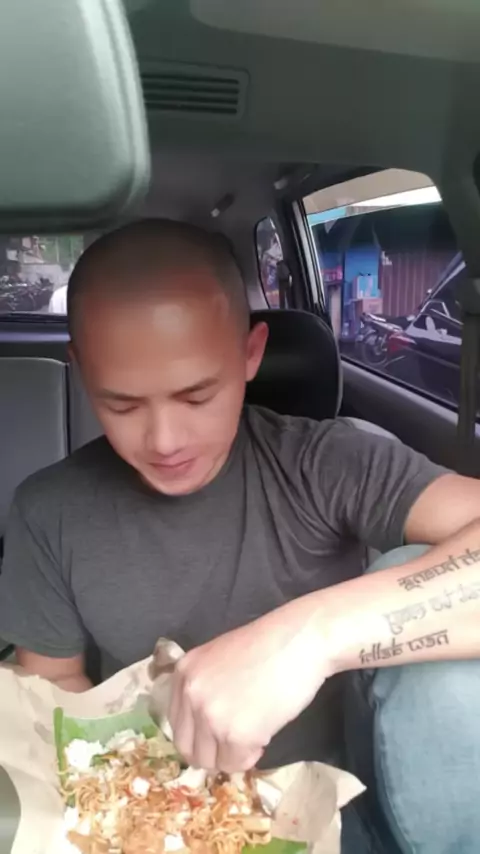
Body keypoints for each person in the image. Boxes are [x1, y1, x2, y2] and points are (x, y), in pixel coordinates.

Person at [1, 218, 480, 853]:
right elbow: (52, 691)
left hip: (344, 812)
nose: (164, 440)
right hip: (157, 819)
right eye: (122, 405)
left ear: (251, 354)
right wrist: (134, 803)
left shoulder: (328, 462)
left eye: (197, 396)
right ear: (81, 370)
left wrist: (307, 640)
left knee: (430, 589)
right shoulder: (49, 511)